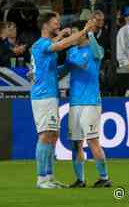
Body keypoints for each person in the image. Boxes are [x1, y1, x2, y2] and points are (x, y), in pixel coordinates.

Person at [30, 12, 95, 189]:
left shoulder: (43, 44)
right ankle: (41, 178)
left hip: (49, 95)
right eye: (55, 23)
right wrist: (83, 31)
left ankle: (49, 177)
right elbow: (61, 45)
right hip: (43, 96)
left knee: (53, 135)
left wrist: (61, 37)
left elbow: (52, 58)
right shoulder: (43, 44)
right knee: (45, 135)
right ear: (45, 26)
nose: (58, 24)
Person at [62, 21, 111, 188]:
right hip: (75, 102)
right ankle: (80, 180)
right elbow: (64, 70)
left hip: (91, 102)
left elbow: (99, 54)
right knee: (76, 143)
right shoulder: (71, 52)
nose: (72, 37)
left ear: (83, 34)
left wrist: (90, 33)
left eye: (76, 33)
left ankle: (104, 177)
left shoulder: (95, 49)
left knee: (92, 141)